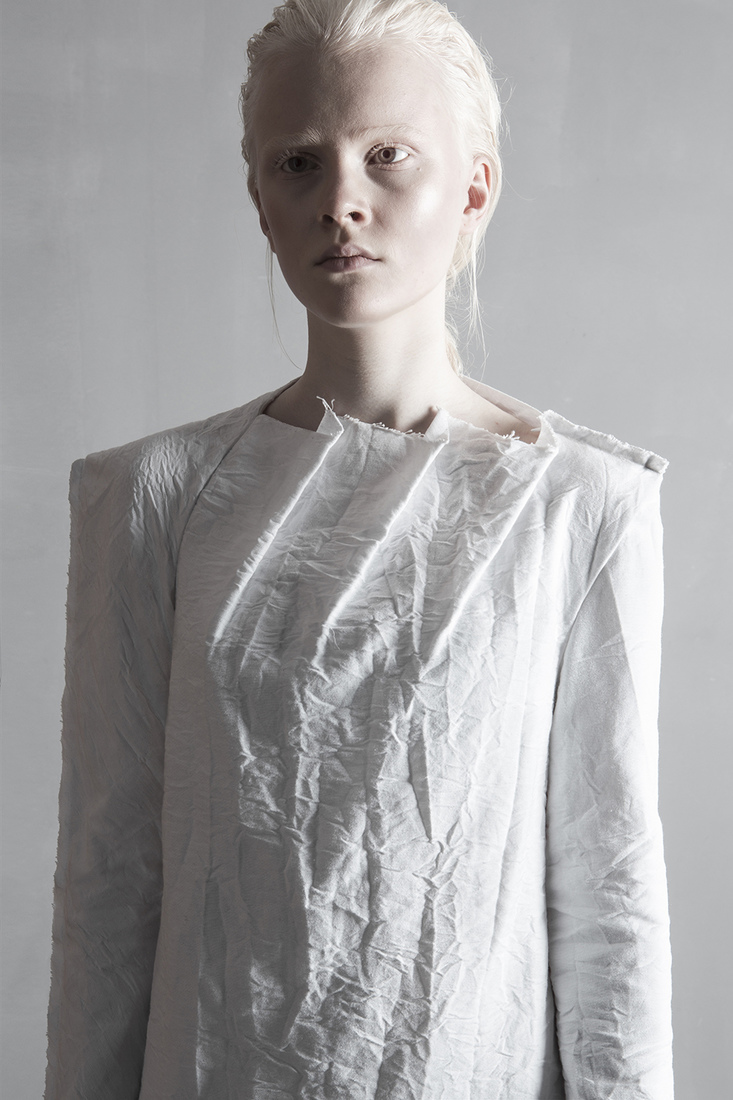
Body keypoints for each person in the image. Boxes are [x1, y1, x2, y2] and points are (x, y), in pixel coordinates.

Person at [44, 1, 674, 1097]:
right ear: (259, 199)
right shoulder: (153, 498)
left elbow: (608, 893)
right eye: (298, 162)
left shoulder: (579, 505)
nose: (340, 198)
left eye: (387, 155)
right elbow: (109, 883)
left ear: (473, 187)